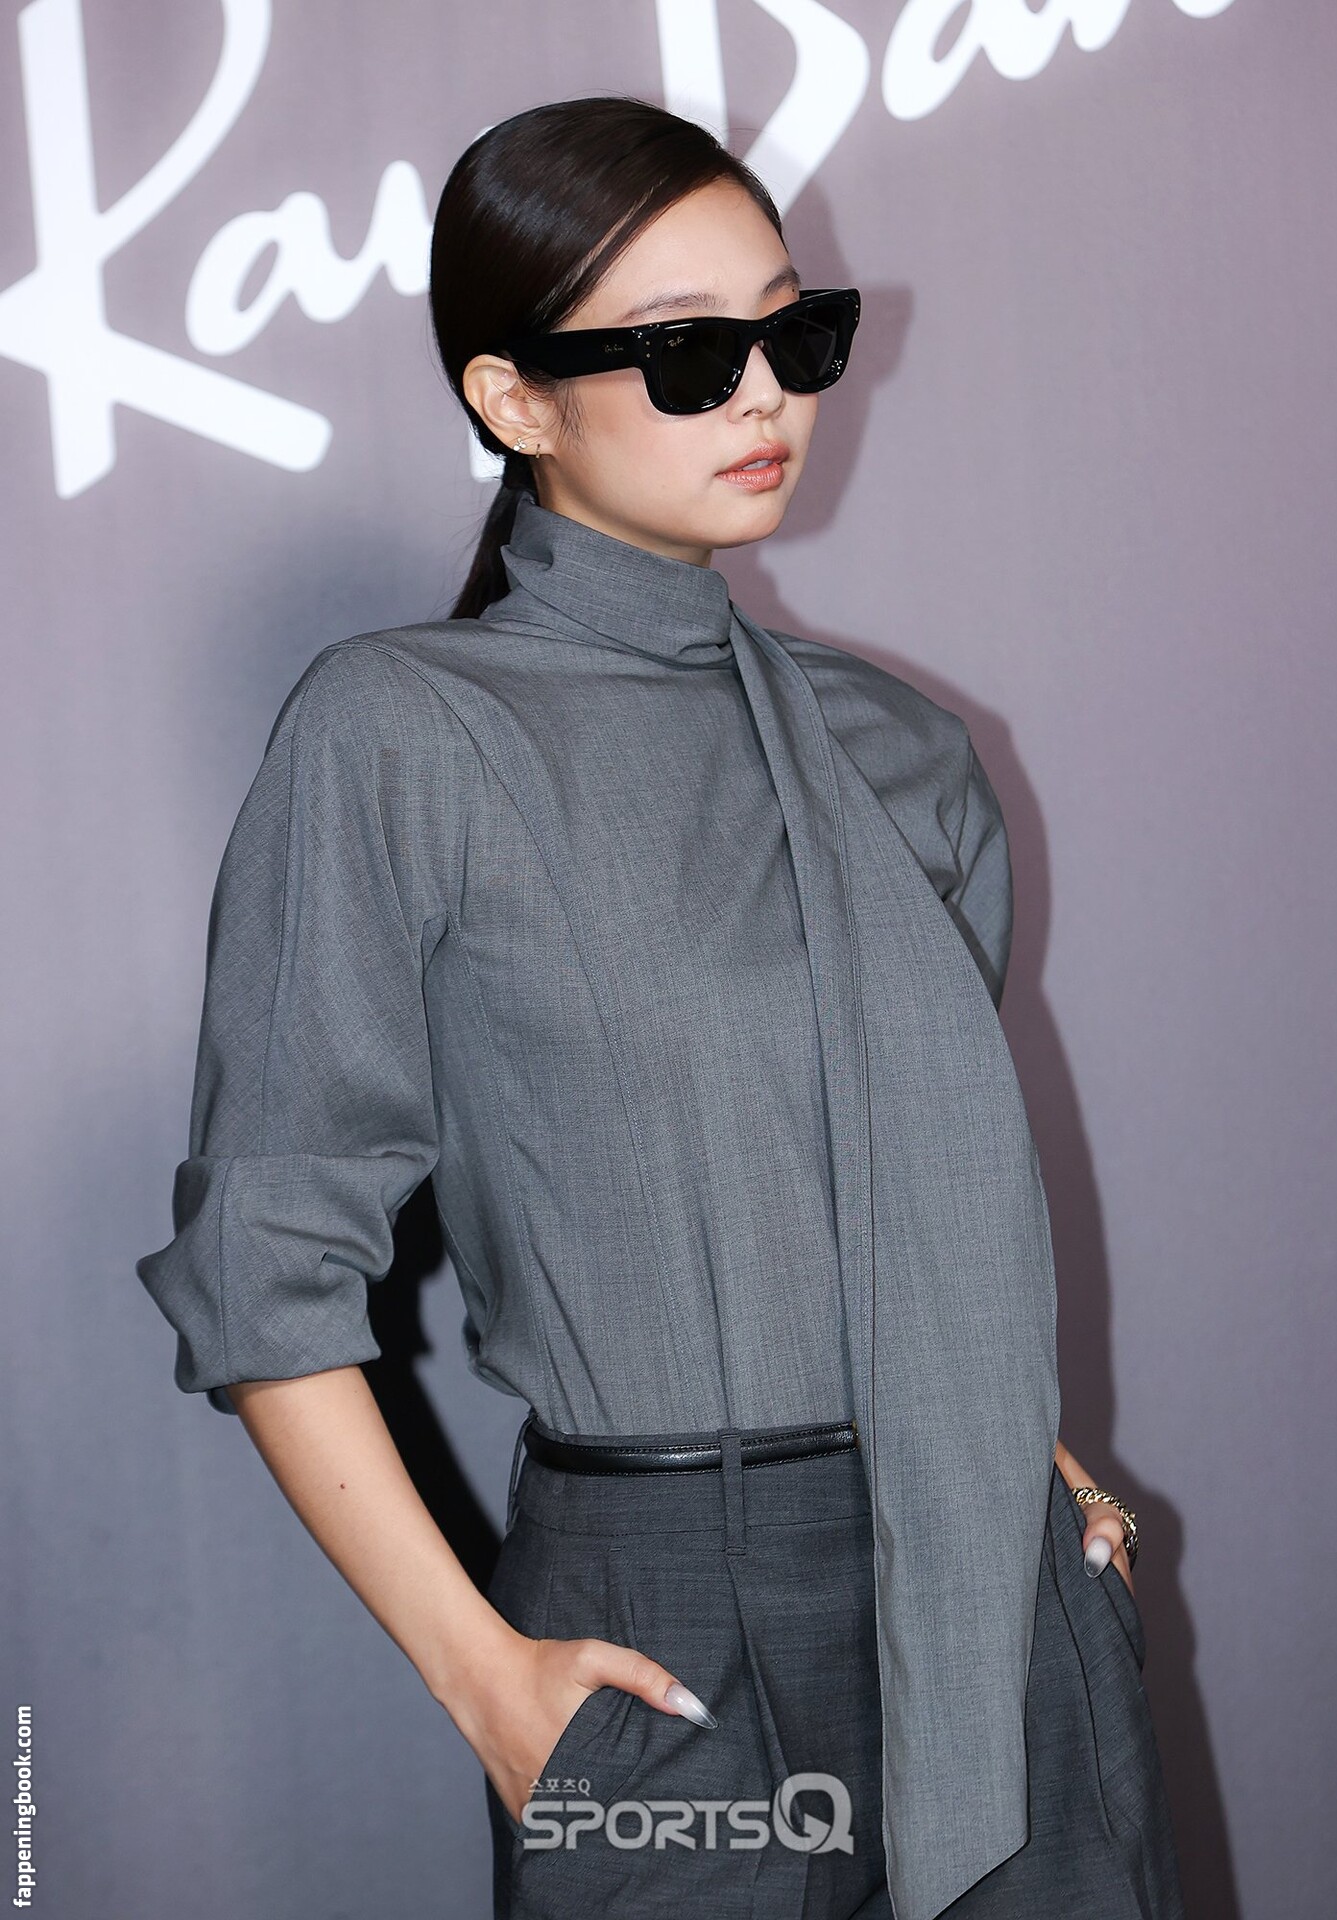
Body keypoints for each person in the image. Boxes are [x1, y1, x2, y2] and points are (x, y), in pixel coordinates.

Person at [136, 96, 1186, 1919]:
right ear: (515, 399)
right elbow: (264, 1269)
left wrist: (1017, 1443)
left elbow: (884, 1185)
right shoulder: (402, 732)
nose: (767, 394)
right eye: (691, 354)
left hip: (996, 1577)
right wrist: (490, 1683)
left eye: (797, 334)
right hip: (663, 1623)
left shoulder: (904, 753)